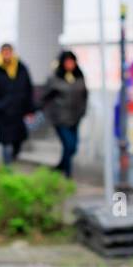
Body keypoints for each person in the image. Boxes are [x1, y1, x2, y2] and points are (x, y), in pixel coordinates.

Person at [0, 42, 35, 164]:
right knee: (5, 141)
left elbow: (28, 89)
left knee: (18, 139)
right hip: (2, 114)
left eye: (9, 52)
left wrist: (30, 109)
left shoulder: (21, 69)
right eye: (4, 52)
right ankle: (7, 167)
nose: (7, 54)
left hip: (18, 112)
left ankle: (13, 158)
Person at [41, 49, 89, 178]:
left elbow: (85, 95)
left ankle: (61, 166)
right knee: (69, 144)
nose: (70, 64)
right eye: (67, 61)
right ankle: (67, 175)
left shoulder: (79, 76)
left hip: (75, 117)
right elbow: (44, 97)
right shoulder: (55, 78)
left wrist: (83, 111)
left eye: (71, 61)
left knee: (73, 148)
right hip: (60, 118)